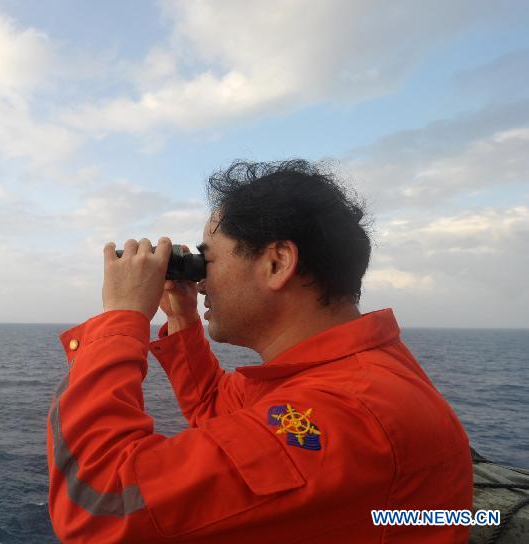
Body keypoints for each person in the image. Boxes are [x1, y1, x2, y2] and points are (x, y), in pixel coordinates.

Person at [46, 160, 472, 543]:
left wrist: (121, 318)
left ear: (277, 263)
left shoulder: (345, 413)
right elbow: (215, 409)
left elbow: (100, 504)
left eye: (207, 261)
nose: (202, 281)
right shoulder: (337, 375)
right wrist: (182, 320)